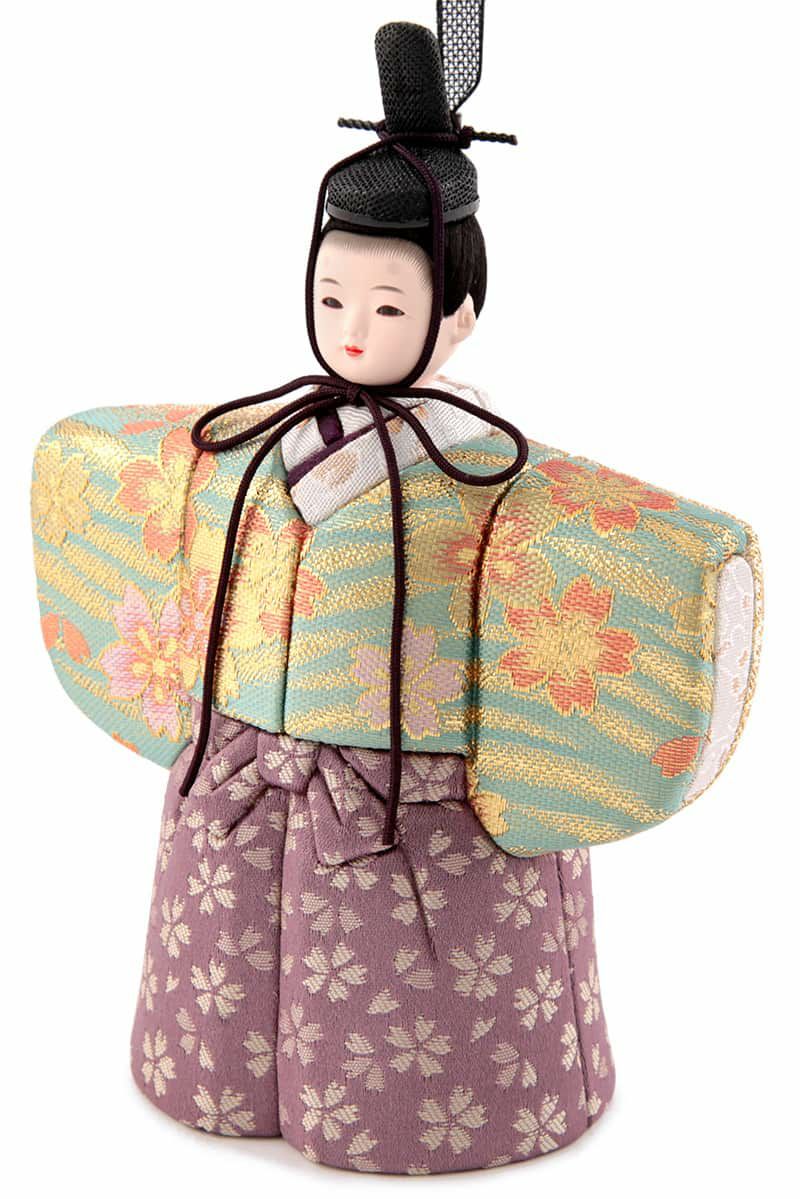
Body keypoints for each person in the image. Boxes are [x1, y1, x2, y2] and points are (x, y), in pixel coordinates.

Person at [30, 4, 760, 1175]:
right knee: (220, 988)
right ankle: (219, 1087)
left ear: (456, 314)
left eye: (386, 307)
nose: (353, 332)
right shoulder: (259, 444)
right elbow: (147, 486)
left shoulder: (488, 480)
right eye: (331, 301)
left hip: (418, 797)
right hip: (243, 766)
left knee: (411, 994)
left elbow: (604, 560)